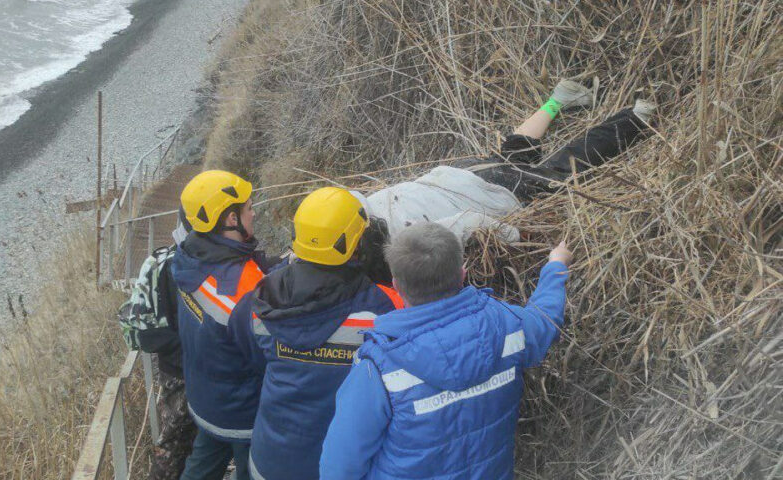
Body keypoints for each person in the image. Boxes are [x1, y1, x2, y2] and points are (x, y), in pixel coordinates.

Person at [320, 222, 573, 479]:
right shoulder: (508, 325)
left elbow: (340, 466)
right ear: (463, 273)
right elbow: (544, 321)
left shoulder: (378, 369)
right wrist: (556, 266)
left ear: (396, 284)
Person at [352, 79, 653, 282]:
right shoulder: (351, 208)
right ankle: (559, 99)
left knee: (561, 172)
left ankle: (637, 117)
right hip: (455, 174)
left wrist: (518, 236)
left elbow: (470, 220)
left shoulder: (404, 243)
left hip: (488, 190)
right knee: (512, 156)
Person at [229, 187, 404, 480]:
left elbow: (247, 354)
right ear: (356, 243)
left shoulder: (260, 298)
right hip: (341, 467)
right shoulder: (387, 307)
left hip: (271, 460)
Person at [172, 170, 279, 480]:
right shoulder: (244, 290)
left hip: (206, 399)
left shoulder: (187, 256)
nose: (254, 213)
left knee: (200, 468)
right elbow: (267, 358)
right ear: (231, 219)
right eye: (248, 208)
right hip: (243, 414)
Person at [118, 209, 197, 480]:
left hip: (173, 370)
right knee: (177, 447)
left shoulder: (165, 260)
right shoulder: (184, 265)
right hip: (185, 371)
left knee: (176, 445)